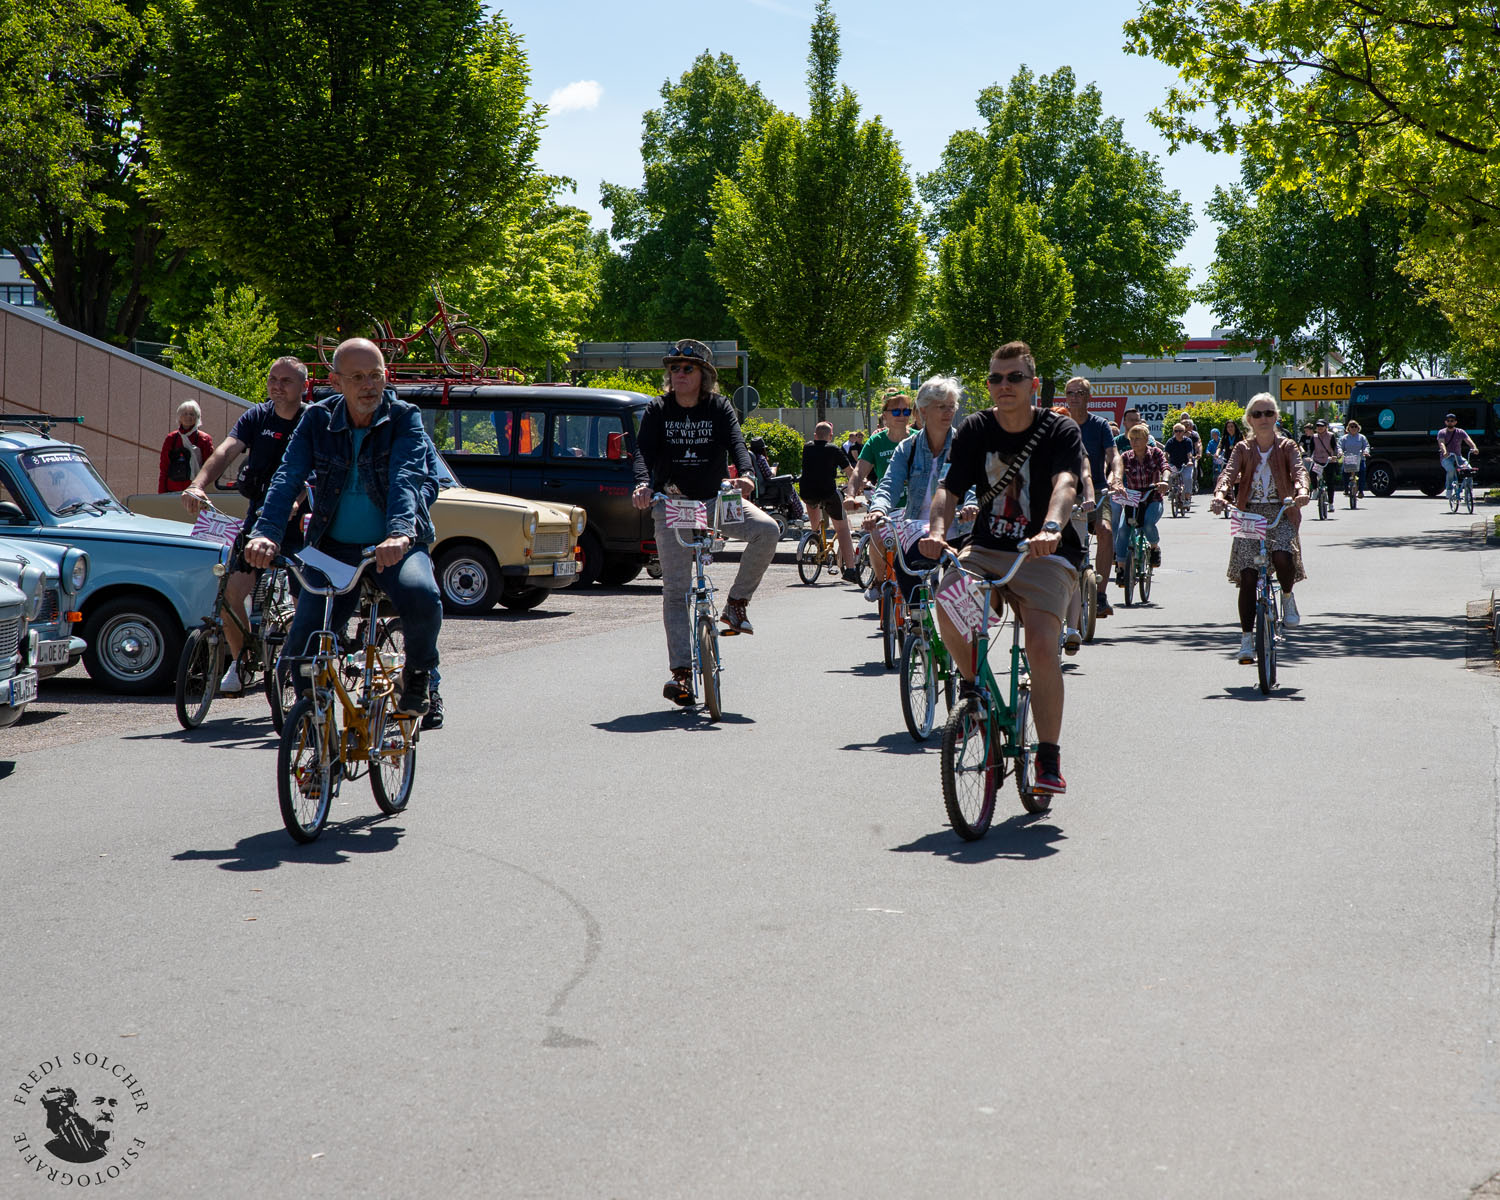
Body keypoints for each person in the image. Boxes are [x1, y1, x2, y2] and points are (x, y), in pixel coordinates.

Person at [244, 339, 442, 719]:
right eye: (358, 377)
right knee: (300, 650)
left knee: (423, 595)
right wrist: (265, 532)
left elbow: (407, 476)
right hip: (333, 550)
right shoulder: (317, 419)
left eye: (376, 376)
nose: (369, 385)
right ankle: (318, 734)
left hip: (394, 546)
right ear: (335, 382)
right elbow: (287, 477)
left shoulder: (404, 417)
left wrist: (399, 533)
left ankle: (419, 675)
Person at [919, 340, 1083, 795]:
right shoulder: (974, 429)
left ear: (1032, 383)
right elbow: (949, 490)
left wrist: (1051, 527)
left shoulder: (1058, 430)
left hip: (1045, 554)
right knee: (950, 600)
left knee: (1042, 646)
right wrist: (937, 531)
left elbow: (1066, 484)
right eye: (995, 377)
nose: (1003, 385)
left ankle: (1048, 758)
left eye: (1013, 377)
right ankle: (973, 691)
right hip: (988, 550)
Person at [631, 338, 776, 706]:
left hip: (714, 500)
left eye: (687, 368)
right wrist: (644, 485)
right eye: (674, 368)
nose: (678, 374)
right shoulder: (657, 410)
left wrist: (745, 474)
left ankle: (736, 604)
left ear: (704, 376)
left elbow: (737, 442)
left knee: (767, 530)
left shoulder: (718, 407)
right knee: (676, 591)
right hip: (674, 500)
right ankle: (680, 675)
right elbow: (642, 452)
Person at [181, 357, 309, 695]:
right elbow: (226, 450)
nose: (277, 385)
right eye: (273, 378)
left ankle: (295, 666)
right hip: (260, 517)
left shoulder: (313, 420)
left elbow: (318, 471)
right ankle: (241, 661)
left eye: (287, 380)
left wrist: (296, 502)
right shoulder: (256, 416)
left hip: (303, 523)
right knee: (230, 594)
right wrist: (198, 484)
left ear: (303, 387)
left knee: (305, 603)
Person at [1210, 393, 1311, 662]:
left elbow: (1300, 471)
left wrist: (1302, 490)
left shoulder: (1287, 446)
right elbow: (1228, 474)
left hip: (1281, 510)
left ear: (1276, 417)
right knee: (1249, 577)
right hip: (1249, 513)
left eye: (1268, 413)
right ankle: (1246, 640)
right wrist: (1220, 495)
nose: (1263, 418)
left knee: (1281, 555)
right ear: (1249, 420)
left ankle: (1287, 597)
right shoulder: (1242, 448)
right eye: (1257, 414)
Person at [866, 376, 974, 600]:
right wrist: (878, 509)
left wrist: (971, 505)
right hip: (916, 527)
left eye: (951, 406)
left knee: (965, 588)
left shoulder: (964, 445)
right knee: (904, 566)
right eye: (941, 406)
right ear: (923, 411)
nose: (949, 412)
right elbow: (889, 483)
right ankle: (917, 625)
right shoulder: (909, 447)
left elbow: (973, 484)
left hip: (958, 528)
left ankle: (965, 631)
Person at [847, 390, 915, 599]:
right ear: (885, 415)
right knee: (876, 534)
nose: (902, 415)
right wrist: (851, 496)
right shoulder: (876, 443)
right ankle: (878, 580)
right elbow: (859, 472)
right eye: (896, 411)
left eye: (906, 410)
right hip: (886, 508)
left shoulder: (919, 439)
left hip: (914, 508)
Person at [1063, 377, 1119, 619]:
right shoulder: (1059, 424)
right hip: (1064, 492)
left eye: (1080, 392)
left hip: (1096, 489)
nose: (1074, 396)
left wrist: (1115, 477)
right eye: (1070, 392)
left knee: (1105, 530)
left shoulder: (1099, 425)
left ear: (1089, 397)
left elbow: (1113, 454)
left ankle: (1101, 595)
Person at [797, 421, 858, 581]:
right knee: (843, 529)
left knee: (814, 516)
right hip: (828, 492)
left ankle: (816, 540)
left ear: (815, 435)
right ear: (831, 436)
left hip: (807, 491)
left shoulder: (807, 447)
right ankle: (851, 569)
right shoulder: (833, 449)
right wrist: (858, 485)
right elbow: (850, 471)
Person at [1110, 425, 1170, 568]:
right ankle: (1121, 566)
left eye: (1138, 439)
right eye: (1132, 439)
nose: (1134, 442)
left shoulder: (1156, 453)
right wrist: (1115, 483)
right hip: (1133, 498)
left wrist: (1165, 481)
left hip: (1153, 497)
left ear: (1146, 439)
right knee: (1123, 529)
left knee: (1148, 523)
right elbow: (1116, 471)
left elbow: (1165, 467)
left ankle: (1154, 548)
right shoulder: (1126, 456)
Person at [159, 400, 215, 494]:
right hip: (173, 490)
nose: (188, 417)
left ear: (197, 418)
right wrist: (161, 494)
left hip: (196, 490)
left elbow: (209, 468)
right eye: (185, 414)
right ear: (179, 417)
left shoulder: (204, 439)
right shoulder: (171, 438)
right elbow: (164, 468)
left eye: (192, 414)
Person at [1438, 411, 1478, 503]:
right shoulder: (1442, 432)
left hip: (1458, 456)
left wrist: (1474, 448)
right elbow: (1441, 443)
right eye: (1448, 421)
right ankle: (1449, 490)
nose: (1450, 422)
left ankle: (1469, 493)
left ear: (1455, 422)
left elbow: (1468, 440)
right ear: (1445, 422)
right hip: (1446, 457)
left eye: (1452, 421)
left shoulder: (1460, 432)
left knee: (1469, 470)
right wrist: (1445, 452)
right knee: (1451, 469)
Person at [1163, 422, 1196, 511]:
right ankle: (1170, 490)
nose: (1178, 433)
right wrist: (1165, 462)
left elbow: (1189, 453)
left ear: (1184, 432)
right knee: (1168, 474)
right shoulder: (1170, 441)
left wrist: (1189, 461)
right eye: (1176, 431)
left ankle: (1187, 498)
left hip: (1185, 464)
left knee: (1188, 478)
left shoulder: (1187, 441)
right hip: (1174, 464)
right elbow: (1166, 454)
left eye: (1180, 431)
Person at [1310, 417, 1341, 507]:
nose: (1320, 427)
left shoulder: (1331, 436)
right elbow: (1311, 449)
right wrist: (1306, 456)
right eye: (1318, 426)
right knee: (1312, 473)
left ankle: (1331, 503)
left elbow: (1335, 447)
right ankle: (1315, 489)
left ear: (1326, 427)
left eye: (1322, 426)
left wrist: (1334, 456)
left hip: (1329, 461)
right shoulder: (1314, 437)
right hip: (1317, 460)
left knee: (1330, 482)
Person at [1340, 419, 1371, 497]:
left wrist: (1366, 451)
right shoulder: (1344, 438)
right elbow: (1339, 446)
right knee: (1344, 472)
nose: (1353, 428)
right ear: (1348, 428)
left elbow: (1366, 446)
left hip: (1359, 459)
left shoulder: (1362, 437)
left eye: (1355, 426)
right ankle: (1346, 489)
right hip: (1348, 459)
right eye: (1351, 426)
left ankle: (1361, 491)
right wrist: (1340, 452)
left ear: (1358, 428)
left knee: (1362, 472)